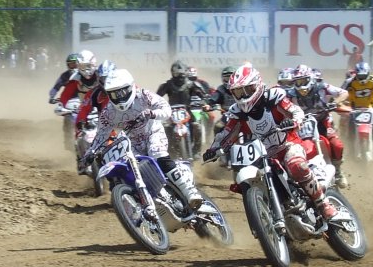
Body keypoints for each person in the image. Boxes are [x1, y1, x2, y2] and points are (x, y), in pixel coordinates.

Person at [202, 62, 336, 220]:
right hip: (264, 155)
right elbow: (226, 133)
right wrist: (214, 149)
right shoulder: (237, 112)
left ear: (257, 85)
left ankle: (323, 203)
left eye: (246, 90)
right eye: (238, 92)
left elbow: (295, 110)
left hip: (288, 144)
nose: (243, 96)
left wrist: (294, 120)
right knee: (248, 183)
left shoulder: (273, 97)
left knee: (296, 165)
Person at [82, 67, 205, 210]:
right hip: (132, 142)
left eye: (122, 92)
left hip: (153, 132)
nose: (119, 97)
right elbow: (101, 135)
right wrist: (90, 153)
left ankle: (190, 192)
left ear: (130, 87)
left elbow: (166, 109)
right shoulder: (108, 112)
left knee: (157, 154)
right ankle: (147, 200)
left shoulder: (143, 95)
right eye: (114, 94)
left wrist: (152, 113)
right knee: (131, 168)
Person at [288, 65, 350, 188]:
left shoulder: (322, 87)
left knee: (337, 145)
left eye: (303, 81)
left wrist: (334, 103)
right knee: (297, 147)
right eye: (298, 82)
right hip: (303, 124)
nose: (301, 85)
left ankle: (338, 171)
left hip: (323, 121)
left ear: (310, 79)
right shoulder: (290, 94)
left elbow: (344, 93)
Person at [156, 59, 205, 158]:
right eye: (177, 73)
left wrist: (205, 102)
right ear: (173, 73)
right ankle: (166, 152)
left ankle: (197, 151)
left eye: (181, 73)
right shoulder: (168, 84)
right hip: (171, 112)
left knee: (197, 126)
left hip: (188, 112)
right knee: (163, 129)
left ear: (185, 72)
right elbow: (156, 97)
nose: (180, 76)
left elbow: (203, 94)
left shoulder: (191, 84)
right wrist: (155, 104)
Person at [341, 61, 373, 142]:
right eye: (360, 76)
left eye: (363, 76)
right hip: (354, 109)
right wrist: (339, 104)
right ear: (356, 74)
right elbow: (340, 93)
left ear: (368, 73)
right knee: (351, 129)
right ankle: (350, 147)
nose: (362, 78)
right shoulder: (349, 82)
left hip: (370, 108)